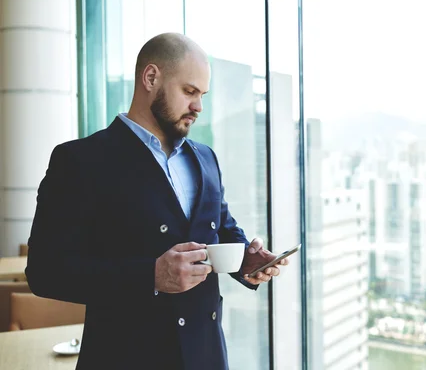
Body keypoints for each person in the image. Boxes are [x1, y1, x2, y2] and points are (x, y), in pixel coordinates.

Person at [26, 32, 288, 370]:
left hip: (207, 358)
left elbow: (221, 229)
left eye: (202, 94)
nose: (199, 106)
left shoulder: (206, 158)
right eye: (189, 91)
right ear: (151, 78)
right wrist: (149, 276)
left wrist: (247, 261)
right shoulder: (80, 160)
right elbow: (45, 272)